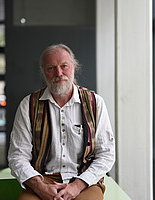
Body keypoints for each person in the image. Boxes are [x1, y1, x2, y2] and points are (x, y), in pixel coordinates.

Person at [8, 44, 115, 200]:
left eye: (64, 66)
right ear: (43, 72)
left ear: (74, 66)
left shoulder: (95, 103)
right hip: (43, 179)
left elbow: (106, 153)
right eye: (51, 68)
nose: (59, 73)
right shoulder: (28, 105)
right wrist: (40, 187)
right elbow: (17, 156)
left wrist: (78, 185)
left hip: (84, 180)